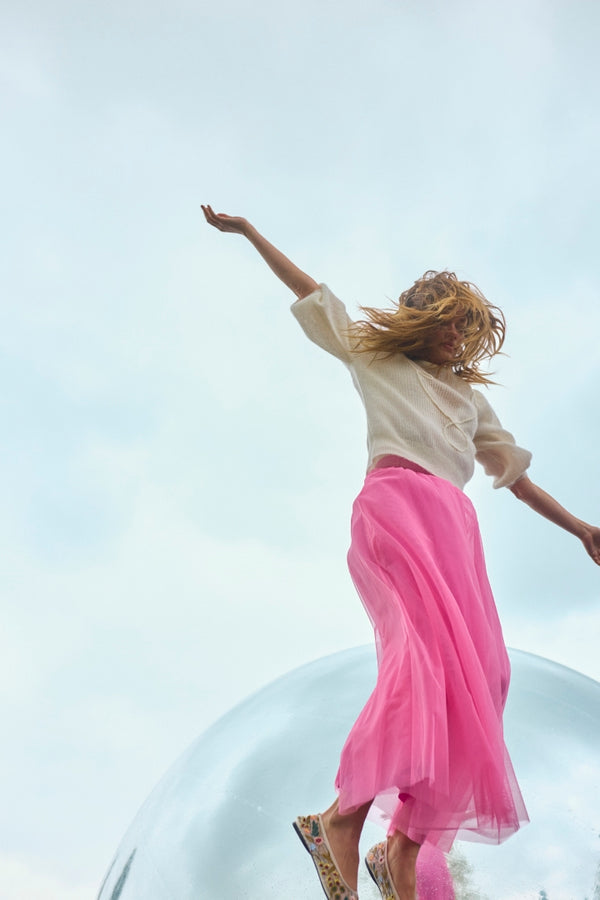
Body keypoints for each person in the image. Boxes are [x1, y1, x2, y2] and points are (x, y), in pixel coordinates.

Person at [201, 205, 600, 900]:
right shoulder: (375, 355)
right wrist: (250, 233)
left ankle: (402, 848)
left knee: (486, 679)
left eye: (468, 331)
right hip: (394, 509)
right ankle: (340, 819)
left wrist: (581, 529)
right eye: (451, 324)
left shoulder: (469, 402)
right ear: (426, 319)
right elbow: (312, 294)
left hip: (454, 529)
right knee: (420, 667)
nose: (459, 340)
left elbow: (516, 477)